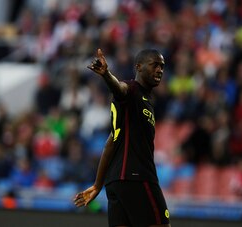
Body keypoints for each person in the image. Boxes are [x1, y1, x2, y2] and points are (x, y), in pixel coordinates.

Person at [73, 49, 171, 227]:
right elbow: (120, 89)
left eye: (162, 66)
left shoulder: (145, 101)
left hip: (115, 183)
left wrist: (98, 184)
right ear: (139, 67)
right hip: (138, 178)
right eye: (154, 65)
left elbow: (111, 142)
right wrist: (106, 75)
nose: (159, 70)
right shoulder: (133, 90)